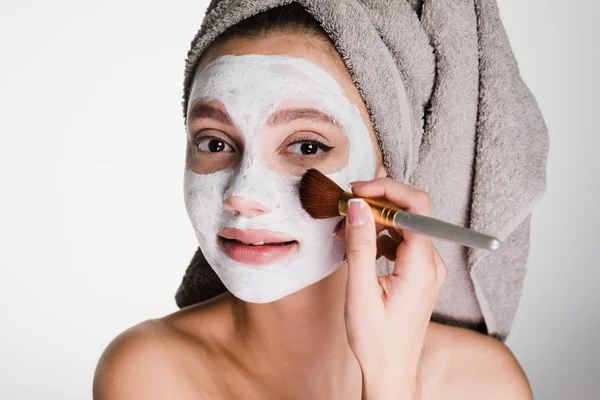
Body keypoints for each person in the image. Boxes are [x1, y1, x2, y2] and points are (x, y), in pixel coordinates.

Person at [93, 4, 532, 399]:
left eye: (306, 146)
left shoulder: (485, 384)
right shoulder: (149, 372)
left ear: (386, 170)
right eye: (213, 143)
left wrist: (390, 378)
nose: (242, 196)